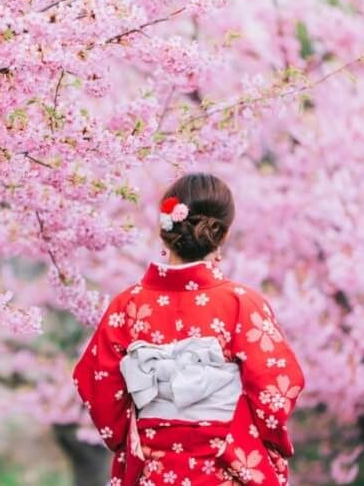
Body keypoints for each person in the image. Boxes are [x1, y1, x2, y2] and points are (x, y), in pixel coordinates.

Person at [73, 173, 305, 486]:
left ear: (165, 231)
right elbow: (276, 386)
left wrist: (135, 437)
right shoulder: (242, 304)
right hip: (226, 466)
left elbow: (97, 385)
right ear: (223, 234)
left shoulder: (126, 306)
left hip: (154, 470)